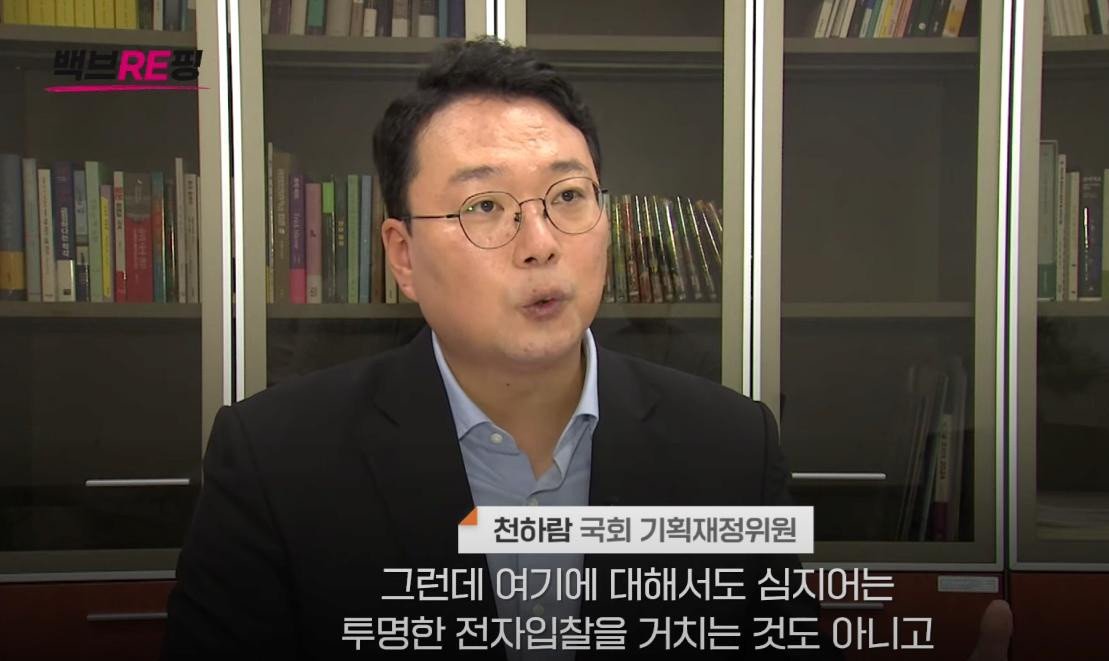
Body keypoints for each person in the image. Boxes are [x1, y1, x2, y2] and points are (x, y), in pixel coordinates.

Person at [162, 37, 1011, 660]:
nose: (540, 242)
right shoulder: (274, 460)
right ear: (402, 255)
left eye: (567, 196)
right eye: (485, 207)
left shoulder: (729, 447)